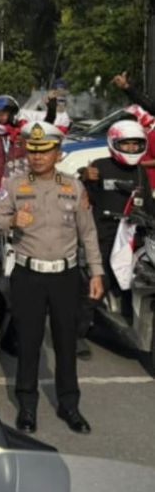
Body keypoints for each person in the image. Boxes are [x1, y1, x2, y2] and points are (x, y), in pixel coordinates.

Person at [0, 122, 103, 435]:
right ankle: (27, 406)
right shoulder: (13, 184)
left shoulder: (74, 187)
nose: (37, 156)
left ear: (58, 152)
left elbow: (87, 233)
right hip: (28, 275)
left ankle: (69, 405)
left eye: (44, 150)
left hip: (64, 275)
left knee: (66, 342)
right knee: (29, 342)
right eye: (33, 150)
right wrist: (11, 220)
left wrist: (96, 272)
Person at [79, 120, 153, 353]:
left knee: (143, 275)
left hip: (135, 236)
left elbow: (150, 206)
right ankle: (77, 333)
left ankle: (132, 319)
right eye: (126, 144)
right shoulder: (99, 166)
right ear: (114, 143)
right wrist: (84, 176)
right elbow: (82, 193)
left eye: (136, 144)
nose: (131, 148)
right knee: (101, 280)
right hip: (105, 233)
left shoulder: (140, 172)